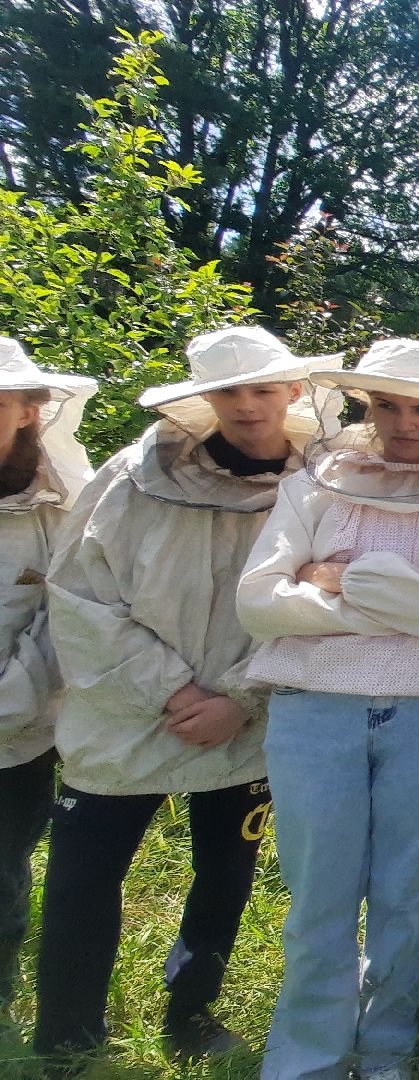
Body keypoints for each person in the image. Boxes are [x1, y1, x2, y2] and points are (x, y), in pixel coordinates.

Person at [34, 326, 341, 1064]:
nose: (246, 405)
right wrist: (172, 690)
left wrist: (241, 697)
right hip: (127, 717)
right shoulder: (127, 478)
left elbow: (324, 601)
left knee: (224, 878)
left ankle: (191, 1016)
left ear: (293, 391)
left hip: (246, 720)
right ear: (201, 398)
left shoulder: (327, 489)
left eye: (263, 388)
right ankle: (68, 1038)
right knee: (84, 877)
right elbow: (80, 598)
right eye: (228, 390)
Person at [237, 339, 419, 1080]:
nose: (403, 422)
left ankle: (386, 1048)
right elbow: (259, 601)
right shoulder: (315, 487)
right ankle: (307, 1060)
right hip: (313, 710)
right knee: (318, 898)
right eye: (387, 405)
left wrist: (342, 580)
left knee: (406, 891)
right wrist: (410, 605)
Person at [0, 340, 95, 1019]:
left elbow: (72, 613)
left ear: (32, 412)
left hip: (16, 732)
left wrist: (10, 699)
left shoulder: (61, 506)